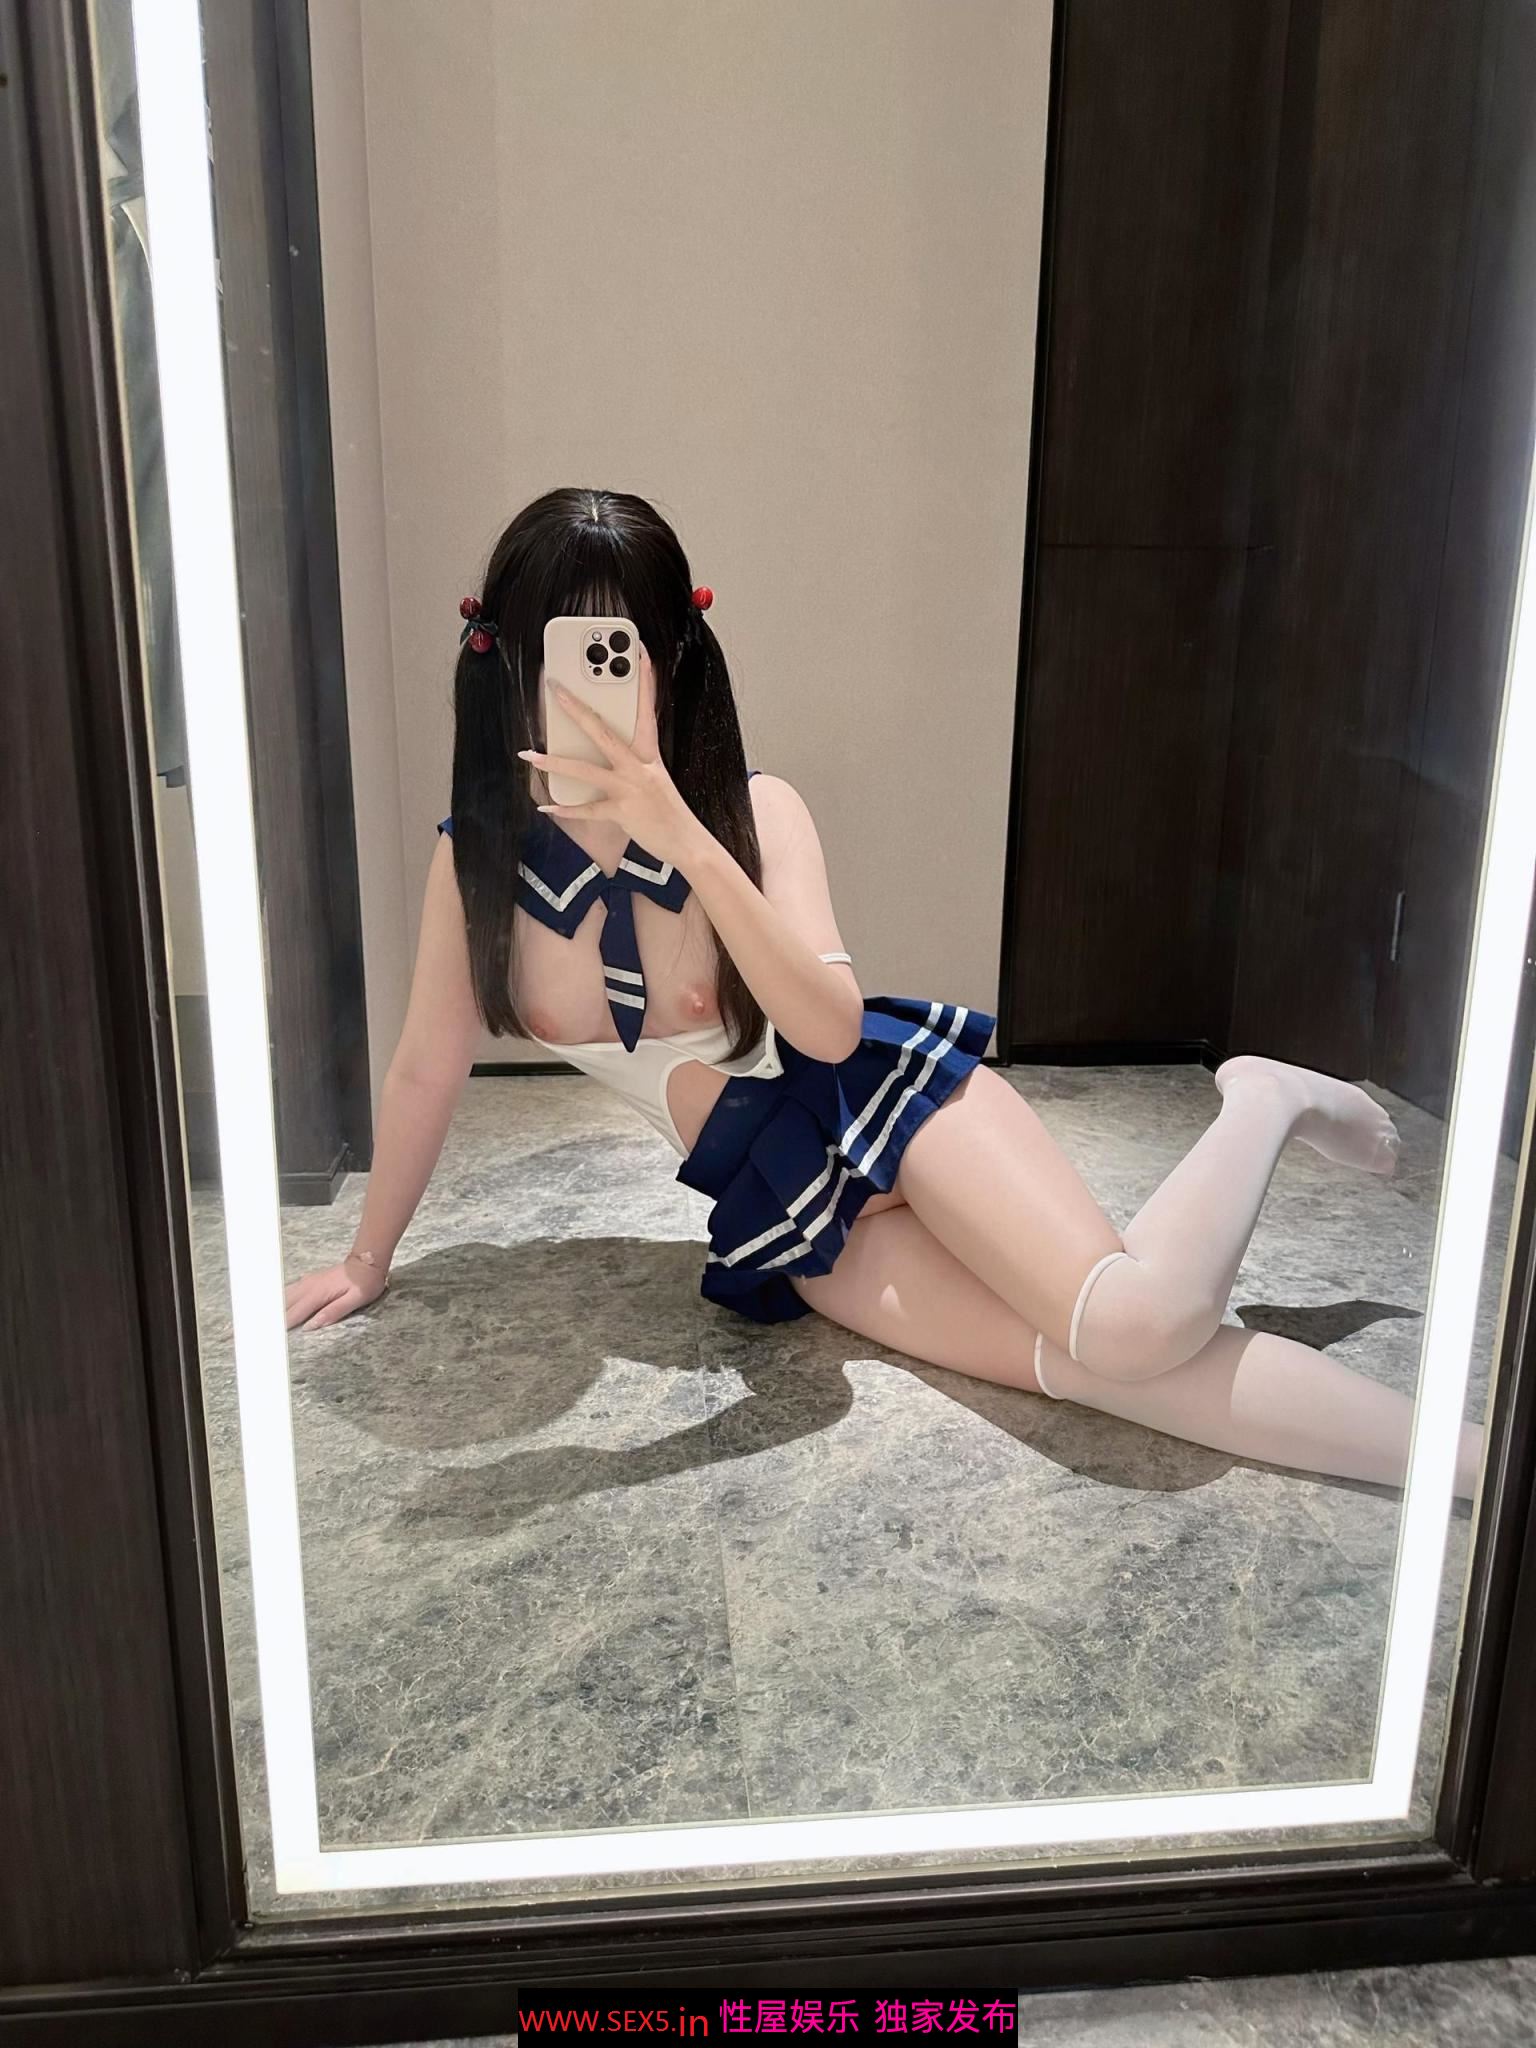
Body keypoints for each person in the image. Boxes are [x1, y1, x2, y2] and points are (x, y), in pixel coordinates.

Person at [284, 488, 1482, 1499]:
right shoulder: (479, 866)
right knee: (1103, 1372)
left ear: (673, 659)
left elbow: (827, 1027)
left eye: (624, 649)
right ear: (505, 659)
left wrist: (677, 828)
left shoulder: (757, 812)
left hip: (894, 1108)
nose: (596, 681)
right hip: (789, 1198)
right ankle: (1480, 1466)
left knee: (1130, 1324)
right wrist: (370, 1255)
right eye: (568, 649)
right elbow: (426, 1064)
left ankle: (1261, 1101)